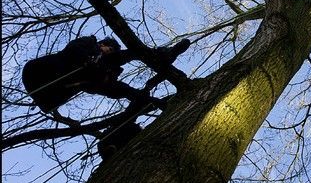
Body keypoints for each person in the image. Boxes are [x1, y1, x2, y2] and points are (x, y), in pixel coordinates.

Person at [22, 36, 190, 114]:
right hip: (42, 72)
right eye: (108, 49)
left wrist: (108, 79)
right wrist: (88, 59)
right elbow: (73, 49)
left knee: (122, 88)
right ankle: (161, 54)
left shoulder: (103, 67)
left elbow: (107, 87)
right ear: (102, 44)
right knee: (117, 61)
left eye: (110, 51)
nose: (108, 52)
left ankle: (151, 100)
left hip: (57, 92)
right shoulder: (90, 44)